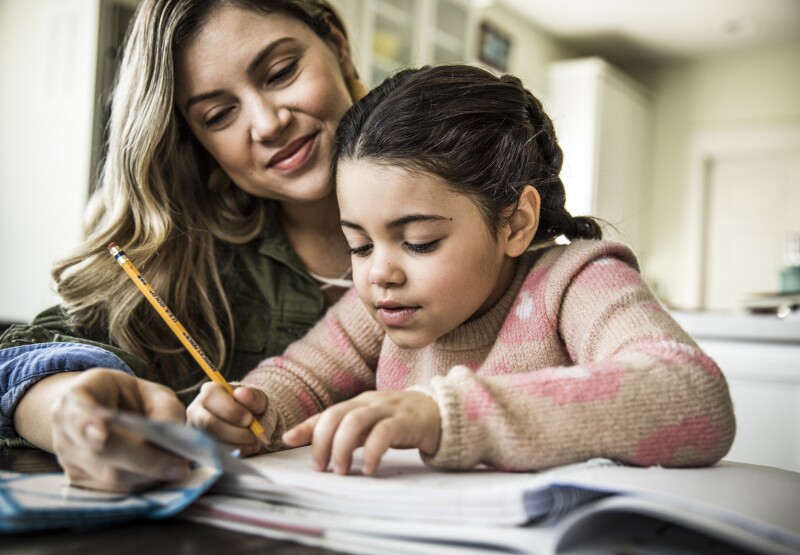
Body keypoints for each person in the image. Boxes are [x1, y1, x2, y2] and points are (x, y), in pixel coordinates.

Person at [187, 64, 737, 476]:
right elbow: (300, 378)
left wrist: (445, 413)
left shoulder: (577, 282)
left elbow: (693, 395)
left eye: (420, 242)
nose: (380, 273)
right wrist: (252, 410)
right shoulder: (379, 308)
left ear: (516, 222)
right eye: (357, 245)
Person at [0, 0, 367, 491]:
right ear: (196, 138)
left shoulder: (476, 186)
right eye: (219, 114)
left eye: (280, 72)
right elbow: (16, 359)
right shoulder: (189, 263)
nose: (267, 123)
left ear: (338, 48)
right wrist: (66, 410)